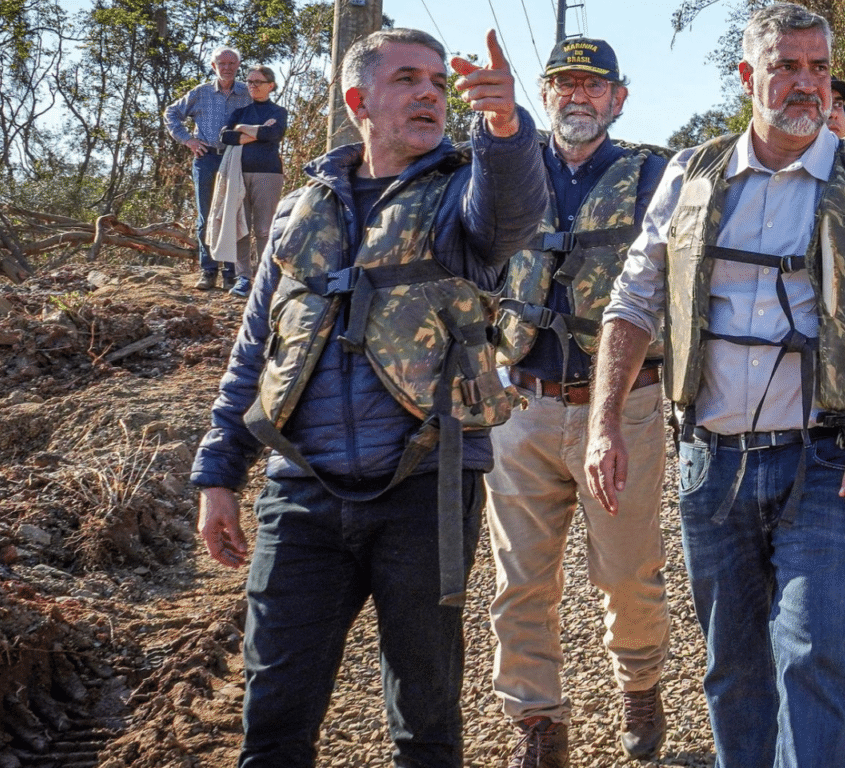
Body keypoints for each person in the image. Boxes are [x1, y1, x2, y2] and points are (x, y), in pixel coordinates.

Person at [585, 4, 845, 767]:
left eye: (819, 68)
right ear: (748, 76)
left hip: (830, 462)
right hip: (711, 461)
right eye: (787, 66)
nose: (807, 84)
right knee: (733, 669)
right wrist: (604, 422)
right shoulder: (691, 173)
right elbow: (633, 300)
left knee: (815, 654)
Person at [188, 28, 545, 767]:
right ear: (359, 101)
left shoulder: (460, 198)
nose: (430, 95)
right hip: (301, 492)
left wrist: (506, 129)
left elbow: (512, 216)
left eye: (440, 85)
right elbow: (254, 350)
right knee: (275, 716)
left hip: (425, 488)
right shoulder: (297, 211)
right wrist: (219, 473)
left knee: (426, 717)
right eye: (409, 80)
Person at [485, 37, 671, 767]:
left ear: (618, 98)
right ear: (545, 93)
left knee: (628, 572)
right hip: (523, 406)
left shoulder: (654, 174)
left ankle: (641, 684)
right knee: (520, 579)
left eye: (593, 86)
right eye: (563, 83)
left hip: (623, 407)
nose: (577, 96)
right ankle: (538, 722)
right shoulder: (509, 173)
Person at [164, 46, 252, 291]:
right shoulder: (201, 93)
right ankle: (208, 270)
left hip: (235, 159)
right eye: (221, 64)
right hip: (206, 159)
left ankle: (231, 273)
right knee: (206, 217)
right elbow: (171, 113)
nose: (226, 68)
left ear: (237, 66)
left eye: (231, 64)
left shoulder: (247, 93)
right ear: (213, 67)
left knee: (234, 215)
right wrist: (187, 140)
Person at [218, 65, 289, 299]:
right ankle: (243, 278)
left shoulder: (278, 112)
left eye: (258, 82)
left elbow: (273, 135)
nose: (252, 86)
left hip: (268, 174)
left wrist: (242, 132)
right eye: (249, 81)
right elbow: (226, 136)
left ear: (271, 85)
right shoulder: (240, 112)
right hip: (237, 172)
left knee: (264, 229)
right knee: (240, 226)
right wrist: (254, 132)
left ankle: (265, 277)